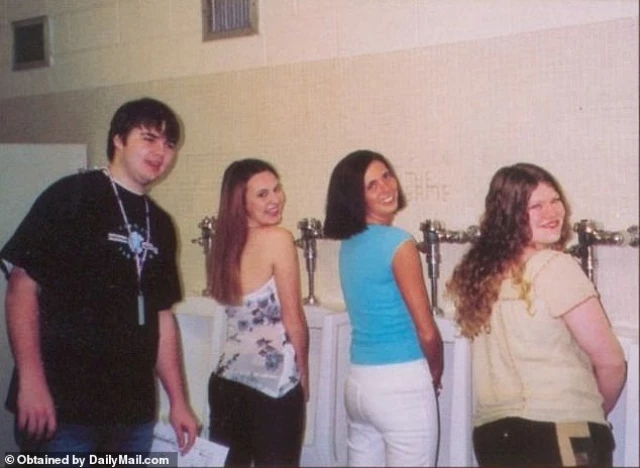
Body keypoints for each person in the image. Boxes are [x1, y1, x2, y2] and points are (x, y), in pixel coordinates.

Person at [1, 97, 198, 455]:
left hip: (132, 415)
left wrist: (178, 401)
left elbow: (162, 318)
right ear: (119, 139)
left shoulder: (162, 224)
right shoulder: (71, 196)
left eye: (169, 145)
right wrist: (31, 380)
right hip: (61, 409)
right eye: (149, 138)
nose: (161, 152)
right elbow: (21, 289)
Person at [446, 162, 627, 467]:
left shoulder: (480, 276)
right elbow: (611, 362)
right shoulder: (554, 266)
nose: (552, 212)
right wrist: (592, 411)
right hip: (563, 432)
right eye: (536, 206)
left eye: (556, 201)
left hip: (494, 437)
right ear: (511, 215)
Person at [323, 149, 444, 467]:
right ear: (355, 198)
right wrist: (434, 372)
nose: (386, 187)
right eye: (371, 185)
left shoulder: (349, 246)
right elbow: (427, 331)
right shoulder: (399, 243)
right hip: (401, 385)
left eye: (387, 176)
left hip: (360, 385)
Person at [207, 158, 309, 467]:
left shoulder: (222, 246)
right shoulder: (278, 238)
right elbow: (294, 320)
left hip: (226, 382)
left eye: (277, 189)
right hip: (272, 384)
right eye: (262, 194)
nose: (276, 199)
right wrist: (303, 375)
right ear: (241, 201)